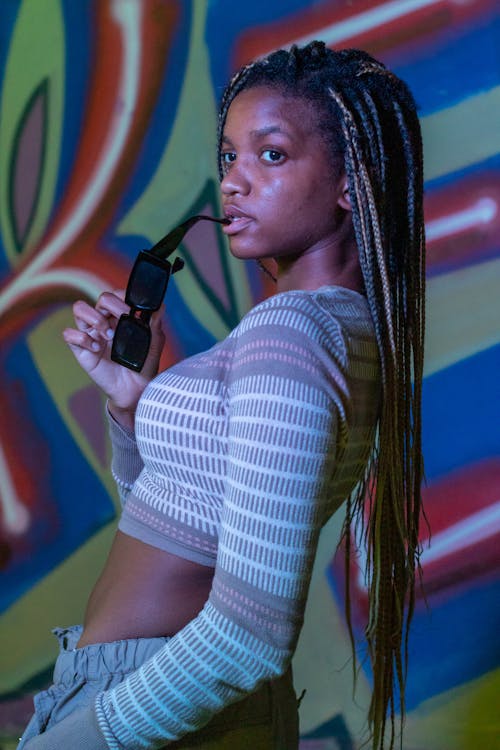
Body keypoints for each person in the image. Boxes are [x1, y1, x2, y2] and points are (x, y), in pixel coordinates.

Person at [18, 41, 425, 750]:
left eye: (271, 155)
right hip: (171, 699)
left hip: (161, 707)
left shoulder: (294, 332)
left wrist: (74, 741)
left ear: (349, 181)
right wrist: (129, 407)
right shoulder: (336, 328)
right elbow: (176, 521)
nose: (232, 181)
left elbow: (248, 636)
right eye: (230, 155)